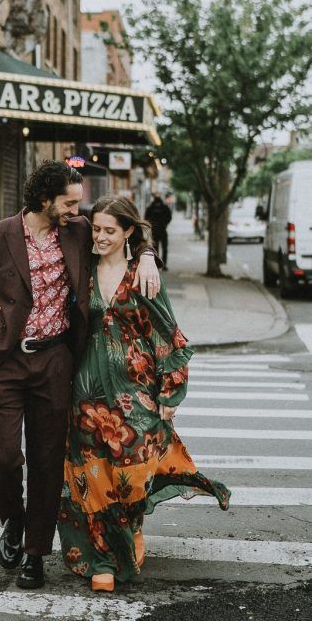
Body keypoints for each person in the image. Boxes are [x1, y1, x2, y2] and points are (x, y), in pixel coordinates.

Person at [0, 161, 160, 590]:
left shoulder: (76, 230)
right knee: (2, 453)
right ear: (44, 200)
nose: (78, 209)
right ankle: (13, 520)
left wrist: (146, 256)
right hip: (6, 362)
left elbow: (125, 230)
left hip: (55, 362)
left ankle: (35, 554)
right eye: (70, 202)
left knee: (48, 460)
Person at [58, 195, 230, 592]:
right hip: (85, 392)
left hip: (135, 394)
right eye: (96, 229)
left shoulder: (144, 275)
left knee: (131, 475)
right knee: (92, 475)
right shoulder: (82, 270)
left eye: (109, 231)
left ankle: (132, 528)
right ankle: (103, 557)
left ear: (128, 232)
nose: (100, 237)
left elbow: (171, 338)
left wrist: (169, 398)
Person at [145, 192, 172, 270]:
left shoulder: (150, 207)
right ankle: (164, 265)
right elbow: (169, 217)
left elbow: (146, 218)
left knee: (155, 248)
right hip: (163, 230)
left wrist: (151, 225)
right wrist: (165, 223)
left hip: (154, 231)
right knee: (164, 248)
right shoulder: (164, 207)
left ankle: (156, 264)